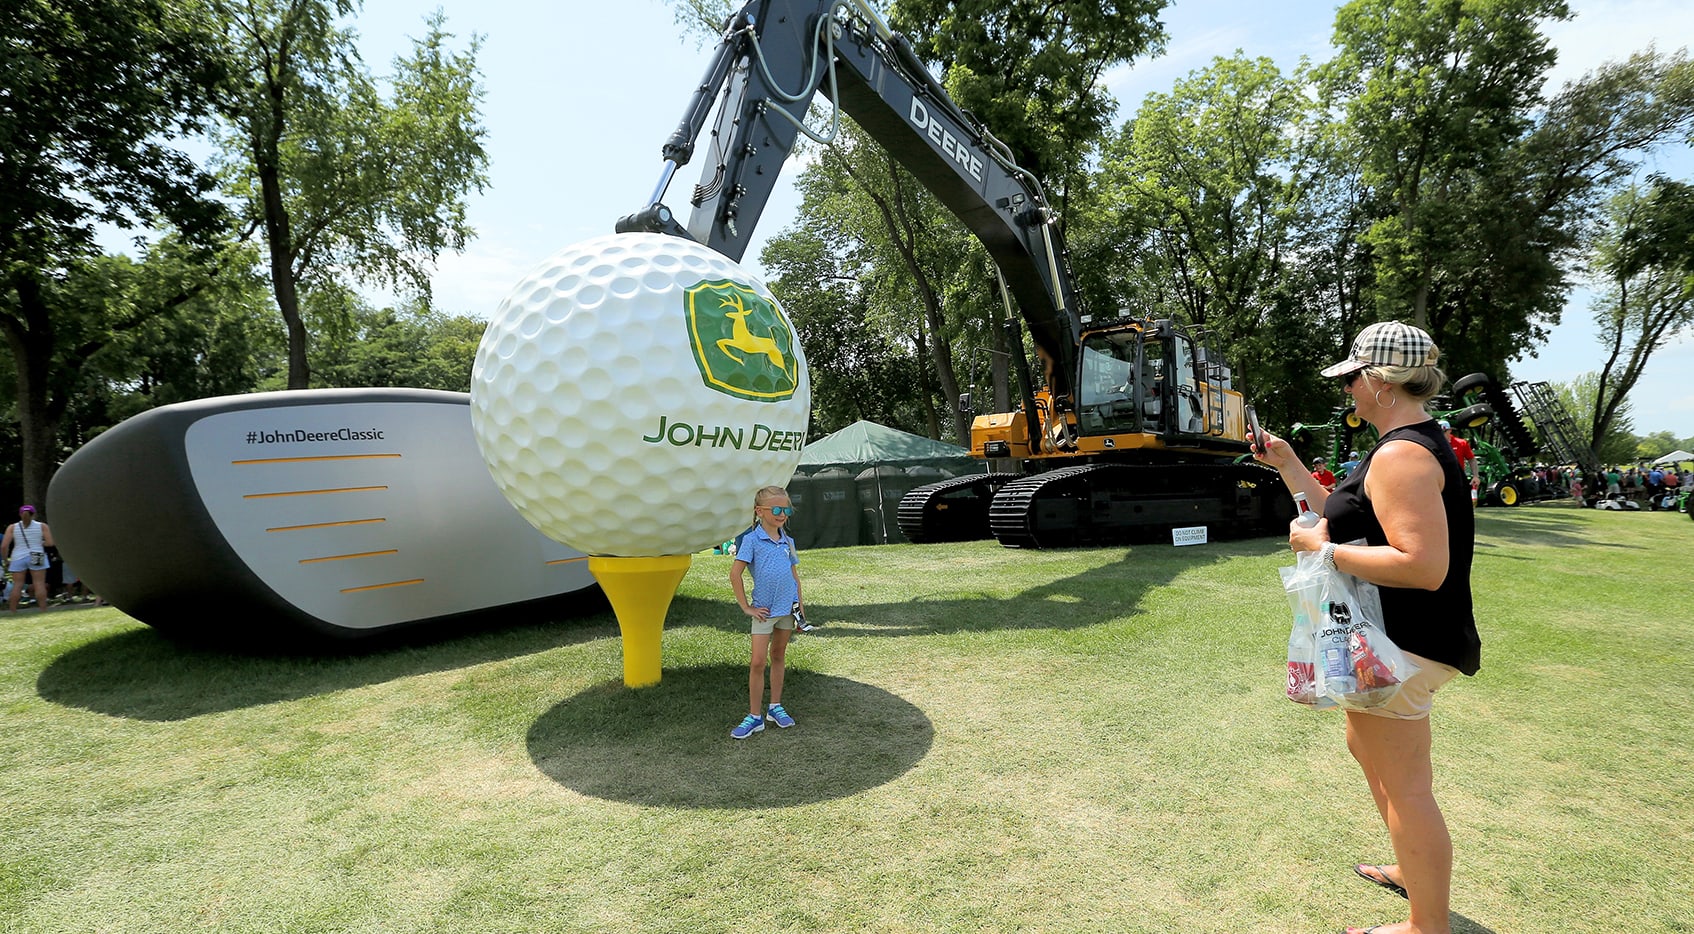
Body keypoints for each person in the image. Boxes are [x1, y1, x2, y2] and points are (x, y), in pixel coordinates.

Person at [1251, 321, 1479, 934]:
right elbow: (1338, 514)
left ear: (1379, 382)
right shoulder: (1400, 445)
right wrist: (1287, 462)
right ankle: (1412, 867)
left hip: (1404, 642)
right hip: (1392, 640)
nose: (1347, 389)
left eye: (1352, 378)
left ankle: (1426, 926)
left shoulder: (1402, 455)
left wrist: (1319, 553)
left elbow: (1423, 566)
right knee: (1365, 745)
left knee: (1407, 787)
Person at [728, 485, 805, 739]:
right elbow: (735, 574)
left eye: (786, 509)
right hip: (764, 611)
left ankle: (775, 707)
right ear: (759, 511)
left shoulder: (788, 541)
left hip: (787, 610)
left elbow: (795, 577)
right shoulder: (751, 540)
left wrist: (799, 610)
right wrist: (746, 607)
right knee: (758, 662)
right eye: (776, 509)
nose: (782, 514)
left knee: (779, 655)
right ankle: (754, 716)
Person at [3, 506, 55, 613]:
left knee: (17, 585)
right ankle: (43, 609)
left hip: (18, 556)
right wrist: (40, 543)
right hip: (37, 554)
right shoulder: (42, 526)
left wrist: (6, 560)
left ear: (20, 514)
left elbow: (4, 546)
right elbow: (50, 543)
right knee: (39, 583)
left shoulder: (12, 527)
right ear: (34, 514)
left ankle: (13, 610)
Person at [1439, 421, 1479, 504]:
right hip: (1441, 480)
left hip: (1458, 479)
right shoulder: (1436, 444)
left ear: (1450, 430)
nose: (1441, 435)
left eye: (1444, 432)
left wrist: (1475, 476)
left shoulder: (1461, 443)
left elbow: (1471, 459)